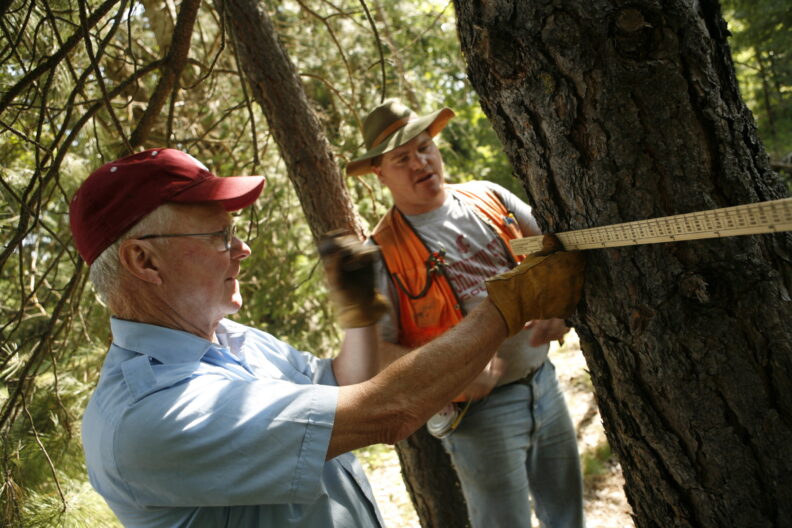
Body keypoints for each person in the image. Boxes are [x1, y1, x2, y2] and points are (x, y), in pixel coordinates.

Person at [71, 147, 583, 527]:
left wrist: (359, 312)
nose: (241, 248)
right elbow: (385, 412)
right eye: (219, 235)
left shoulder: (232, 342)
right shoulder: (151, 415)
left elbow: (342, 381)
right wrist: (506, 307)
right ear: (143, 260)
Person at [346, 99, 585, 528]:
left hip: (544, 383)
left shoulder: (490, 197)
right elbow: (375, 356)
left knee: (568, 516)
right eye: (401, 158)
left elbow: (555, 253)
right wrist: (449, 371)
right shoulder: (376, 256)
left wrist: (561, 311)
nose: (419, 162)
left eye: (423, 148)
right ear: (379, 173)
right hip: (478, 417)